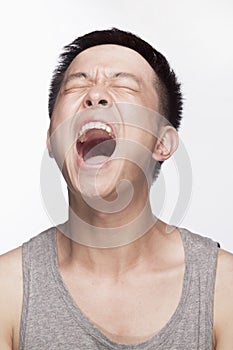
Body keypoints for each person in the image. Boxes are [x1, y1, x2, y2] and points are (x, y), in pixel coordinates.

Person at [0, 28, 232, 350]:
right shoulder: (7, 290)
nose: (95, 96)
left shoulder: (223, 288)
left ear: (162, 143)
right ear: (52, 139)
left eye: (123, 85)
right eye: (77, 85)